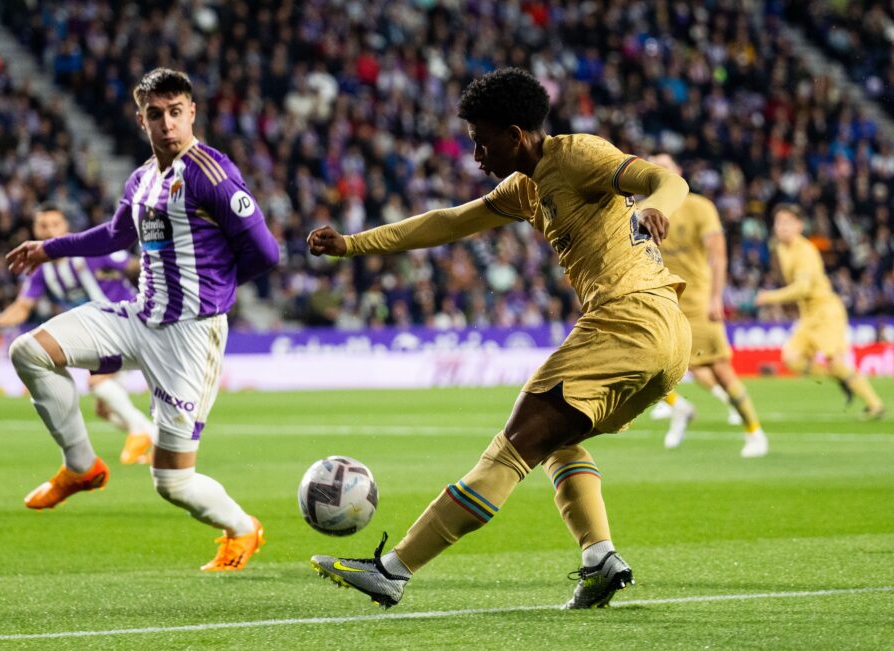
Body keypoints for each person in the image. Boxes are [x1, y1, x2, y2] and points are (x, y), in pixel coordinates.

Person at [306, 67, 691, 609]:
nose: (476, 154)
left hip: (627, 321)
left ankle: (393, 570)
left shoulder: (577, 155)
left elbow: (669, 181)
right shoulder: (523, 186)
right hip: (667, 334)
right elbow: (446, 222)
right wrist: (351, 244)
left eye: (481, 141)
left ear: (515, 135)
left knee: (510, 451)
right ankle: (599, 556)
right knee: (556, 441)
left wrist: (657, 208)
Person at [4, 68, 279, 571]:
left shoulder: (211, 173)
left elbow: (265, 251)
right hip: (139, 316)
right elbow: (113, 236)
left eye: (177, 112)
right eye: (157, 115)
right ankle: (82, 466)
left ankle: (242, 528)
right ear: (142, 119)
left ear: (192, 112)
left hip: (190, 337)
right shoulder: (142, 179)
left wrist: (217, 291)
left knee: (171, 482)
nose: (168, 124)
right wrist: (48, 248)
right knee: (30, 351)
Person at [0, 203, 157, 465]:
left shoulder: (90, 252)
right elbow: (23, 307)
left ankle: (143, 432)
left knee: (98, 384)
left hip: (127, 325)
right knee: (105, 409)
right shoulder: (42, 270)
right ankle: (156, 441)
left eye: (55, 224)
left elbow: (131, 264)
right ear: (34, 229)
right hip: (96, 331)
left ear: (66, 227)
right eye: (43, 225)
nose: (49, 230)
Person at [645, 153, 769, 458]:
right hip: (662, 302)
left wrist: (716, 297)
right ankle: (679, 407)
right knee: (639, 364)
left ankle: (755, 433)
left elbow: (718, 254)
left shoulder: (699, 207)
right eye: (654, 169)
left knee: (719, 370)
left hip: (698, 302)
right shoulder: (643, 211)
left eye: (665, 167)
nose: (660, 172)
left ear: (678, 173)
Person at [755, 205, 884, 419]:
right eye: (779, 222)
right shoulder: (780, 248)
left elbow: (803, 288)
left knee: (835, 361)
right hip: (808, 315)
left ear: (800, 226)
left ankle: (875, 405)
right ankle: (843, 377)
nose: (782, 227)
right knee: (791, 358)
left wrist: (770, 297)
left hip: (826, 311)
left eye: (788, 222)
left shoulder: (805, 251)